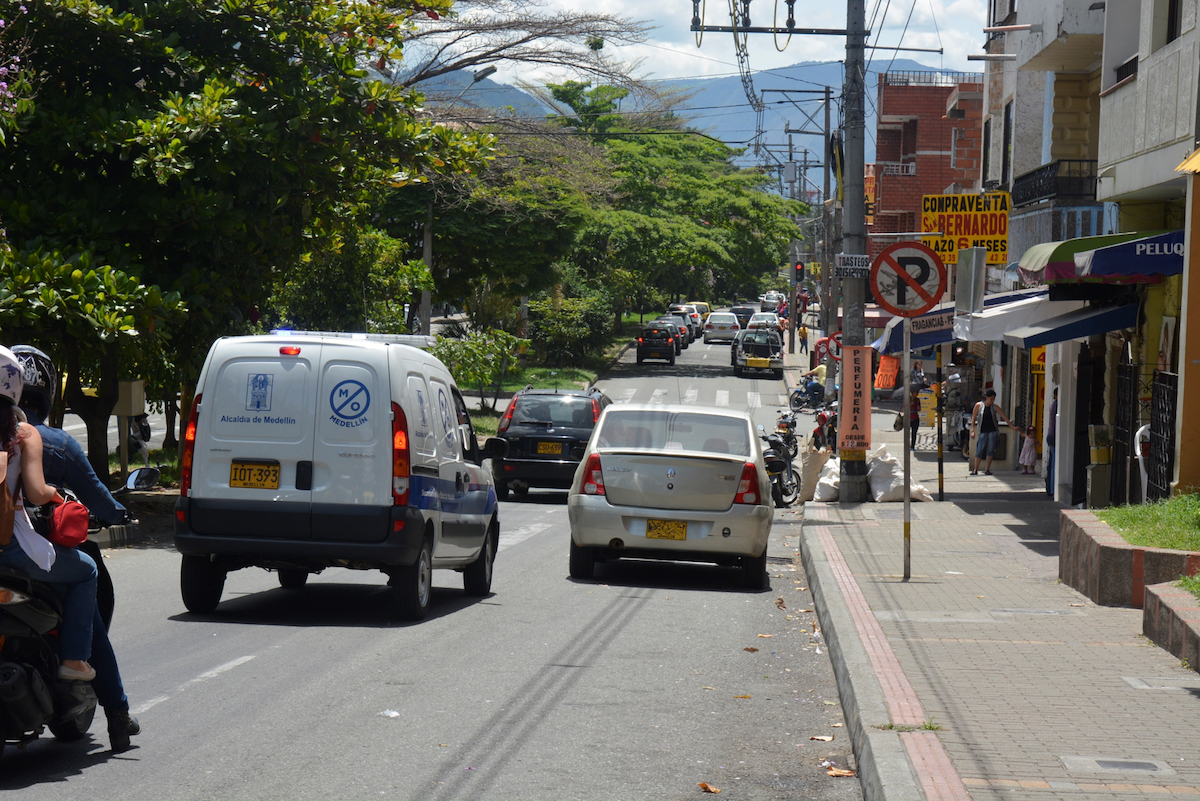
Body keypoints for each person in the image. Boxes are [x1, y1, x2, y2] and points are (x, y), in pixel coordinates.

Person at [13, 346, 141, 752]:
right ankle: (115, 713)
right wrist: (118, 513)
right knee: (87, 593)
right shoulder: (43, 438)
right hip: (31, 552)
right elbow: (91, 495)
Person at [0, 346, 98, 686]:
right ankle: (74, 659)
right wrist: (58, 497)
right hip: (11, 548)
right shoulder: (24, 433)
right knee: (87, 571)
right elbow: (38, 491)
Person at [970, 389, 1012, 476]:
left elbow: (1004, 416)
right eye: (991, 399)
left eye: (994, 399)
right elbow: (973, 418)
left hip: (992, 431)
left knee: (990, 450)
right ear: (986, 398)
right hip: (983, 431)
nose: (992, 401)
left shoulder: (994, 407)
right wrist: (972, 430)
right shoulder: (978, 405)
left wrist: (1012, 426)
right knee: (979, 449)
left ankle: (987, 469)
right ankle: (975, 469)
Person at [1045, 387, 1058, 496]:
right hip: (1054, 437)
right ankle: (1053, 489)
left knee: (1051, 463)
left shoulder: (1054, 405)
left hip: (1051, 436)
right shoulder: (1057, 405)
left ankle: (1050, 487)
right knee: (1054, 464)